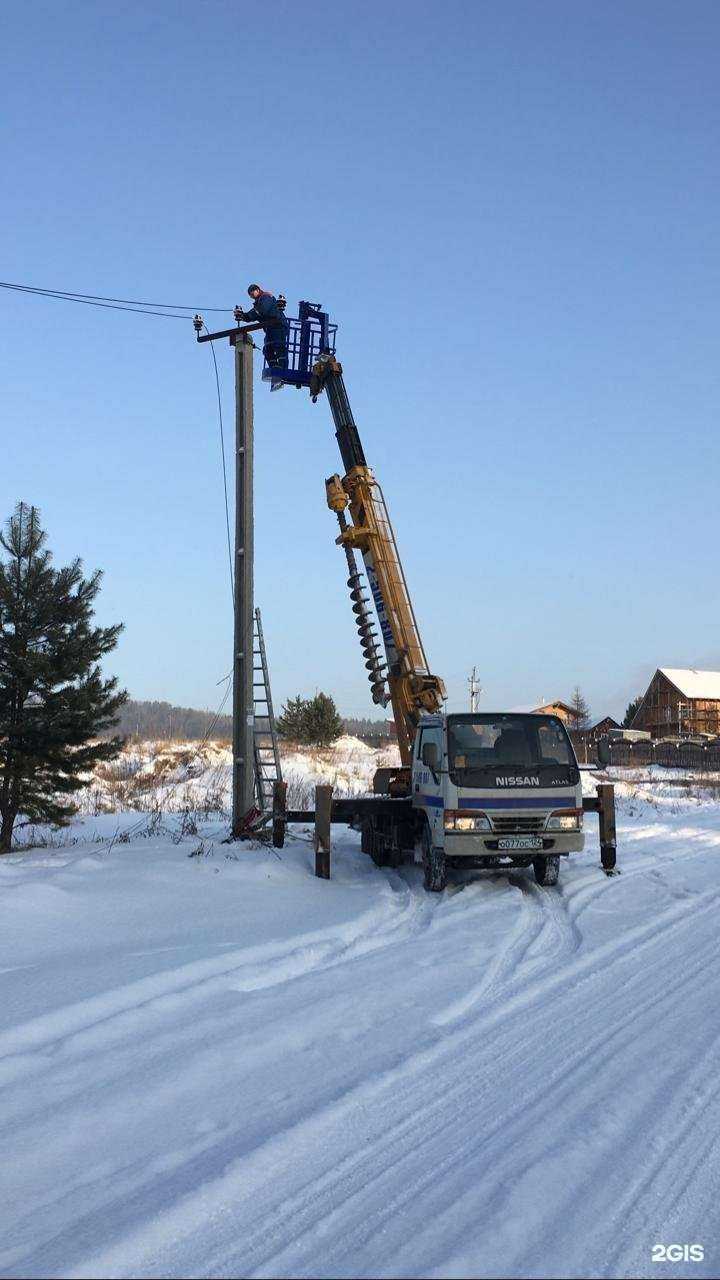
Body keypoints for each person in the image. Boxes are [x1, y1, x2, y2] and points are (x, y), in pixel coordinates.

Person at [238, 284, 289, 390]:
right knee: (267, 350)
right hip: (270, 329)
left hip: (278, 326)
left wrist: (248, 316)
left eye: (253, 293)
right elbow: (255, 313)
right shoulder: (259, 303)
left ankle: (282, 370)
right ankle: (275, 370)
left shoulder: (266, 297)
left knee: (279, 347)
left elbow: (262, 311)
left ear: (257, 290)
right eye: (250, 295)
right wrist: (243, 316)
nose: (252, 296)